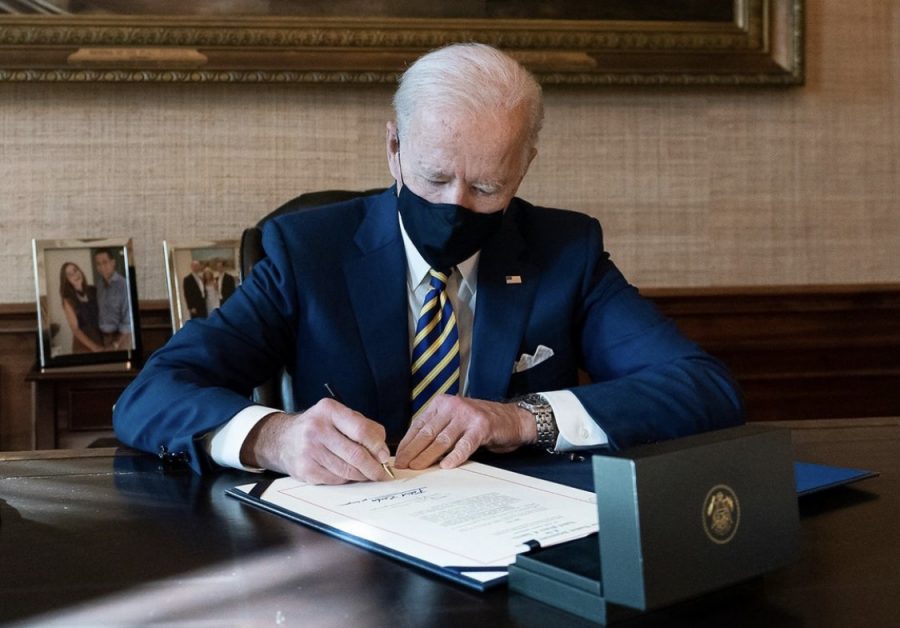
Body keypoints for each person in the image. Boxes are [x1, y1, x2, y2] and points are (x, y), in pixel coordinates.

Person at [113, 43, 743, 483]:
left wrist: (524, 418)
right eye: (435, 176)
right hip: (344, 554)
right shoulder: (307, 252)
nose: (455, 205)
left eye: (488, 187)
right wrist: (274, 437)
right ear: (393, 148)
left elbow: (702, 387)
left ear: (525, 166)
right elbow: (151, 395)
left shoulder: (564, 251)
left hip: (521, 549)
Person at [59, 261, 103, 353]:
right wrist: (94, 347)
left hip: (101, 339)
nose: (75, 274)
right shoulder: (68, 300)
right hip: (83, 347)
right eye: (70, 274)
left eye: (75, 270)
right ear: (67, 280)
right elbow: (75, 329)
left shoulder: (94, 290)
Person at [93, 248, 133, 351]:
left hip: (121, 338)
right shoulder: (100, 285)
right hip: (104, 338)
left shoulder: (124, 285)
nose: (102, 267)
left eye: (105, 262)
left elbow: (127, 320)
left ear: (113, 263)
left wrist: (116, 344)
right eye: (98, 264)